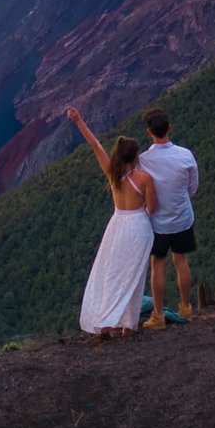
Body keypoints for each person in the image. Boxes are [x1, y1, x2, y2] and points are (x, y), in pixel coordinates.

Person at [69, 107, 157, 336]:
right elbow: (153, 207)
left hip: (117, 225)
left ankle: (105, 324)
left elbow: (96, 145)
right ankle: (128, 325)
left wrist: (79, 120)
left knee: (111, 274)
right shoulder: (145, 178)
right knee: (134, 276)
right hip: (139, 226)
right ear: (136, 156)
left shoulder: (112, 174)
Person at [138, 107, 198, 329]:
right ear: (169, 128)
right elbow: (193, 189)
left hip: (157, 224)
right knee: (181, 261)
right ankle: (186, 308)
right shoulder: (186, 155)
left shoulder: (143, 160)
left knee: (158, 266)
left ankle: (158, 316)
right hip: (182, 219)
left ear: (149, 132)